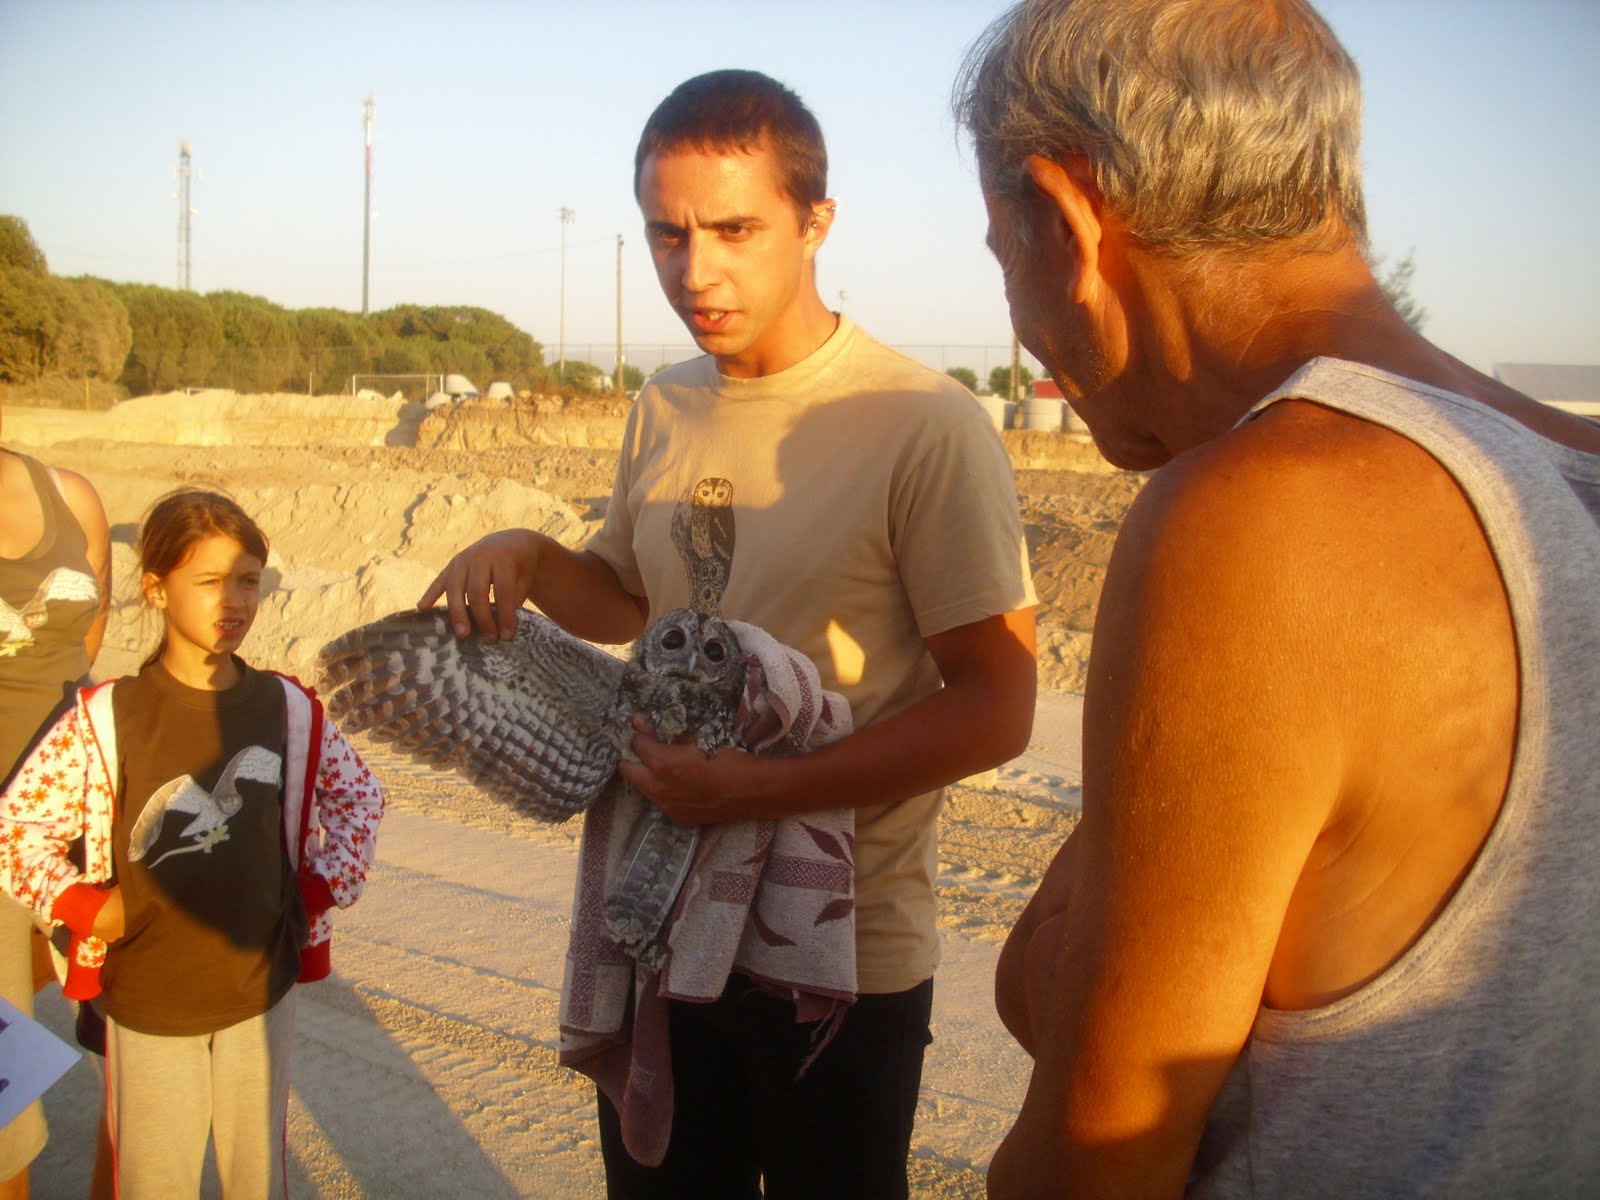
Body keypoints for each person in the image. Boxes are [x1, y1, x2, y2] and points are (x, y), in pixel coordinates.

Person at [954, 1, 1600, 1196]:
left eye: (1003, 254)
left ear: (1066, 217)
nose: (1020, 320)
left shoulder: (1261, 517)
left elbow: (1092, 1160)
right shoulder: (1569, 470)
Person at [422, 69, 1037, 1199]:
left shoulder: (925, 424)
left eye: (735, 230)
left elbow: (998, 706)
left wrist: (755, 791)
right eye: (667, 235)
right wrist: (532, 558)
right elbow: (632, 603)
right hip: (661, 920)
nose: (695, 271)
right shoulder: (665, 404)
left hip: (836, 956)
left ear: (815, 222)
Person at [0, 488, 385, 1199]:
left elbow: (360, 797)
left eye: (248, 581)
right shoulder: (107, 718)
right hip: (150, 1002)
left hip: (259, 992)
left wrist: (312, 891)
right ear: (155, 587)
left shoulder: (289, 709)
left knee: (257, 1180)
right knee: (154, 1181)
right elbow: (16, 829)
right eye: (209, 581)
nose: (233, 601)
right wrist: (86, 908)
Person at [0, 397, 111, 1200]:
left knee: (132, 1048)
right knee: (6, 1101)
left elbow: (86, 642)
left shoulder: (71, 497)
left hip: (79, 818)